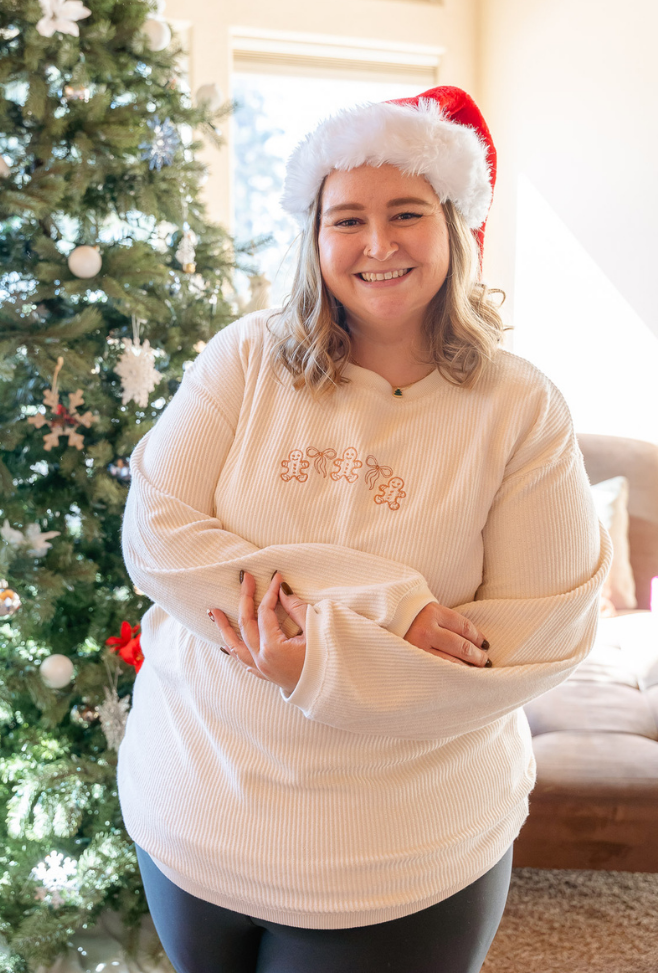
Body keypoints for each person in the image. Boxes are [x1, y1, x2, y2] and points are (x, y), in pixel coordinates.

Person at [118, 86, 611, 973]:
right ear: (315, 237)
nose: (378, 244)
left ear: (454, 225)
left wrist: (325, 663)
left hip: (396, 861)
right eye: (347, 218)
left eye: (406, 213)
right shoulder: (245, 358)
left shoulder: (520, 407)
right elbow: (159, 536)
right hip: (192, 813)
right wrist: (388, 610)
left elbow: (539, 640)